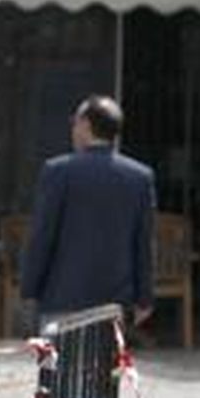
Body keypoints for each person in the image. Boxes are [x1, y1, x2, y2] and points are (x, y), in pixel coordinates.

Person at [21, 94, 156, 330]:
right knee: (106, 366)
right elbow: (143, 242)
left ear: (85, 124)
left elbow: (43, 235)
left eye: (74, 122)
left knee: (58, 365)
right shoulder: (140, 177)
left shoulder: (58, 171)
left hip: (61, 295)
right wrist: (144, 297)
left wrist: (29, 289)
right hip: (114, 302)